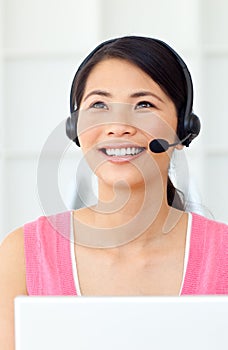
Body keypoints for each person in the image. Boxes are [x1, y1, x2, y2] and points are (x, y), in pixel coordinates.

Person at [0, 35, 227, 349]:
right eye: (99, 105)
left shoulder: (224, 253)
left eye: (143, 104)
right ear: (75, 128)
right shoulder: (22, 254)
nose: (118, 126)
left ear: (183, 126)